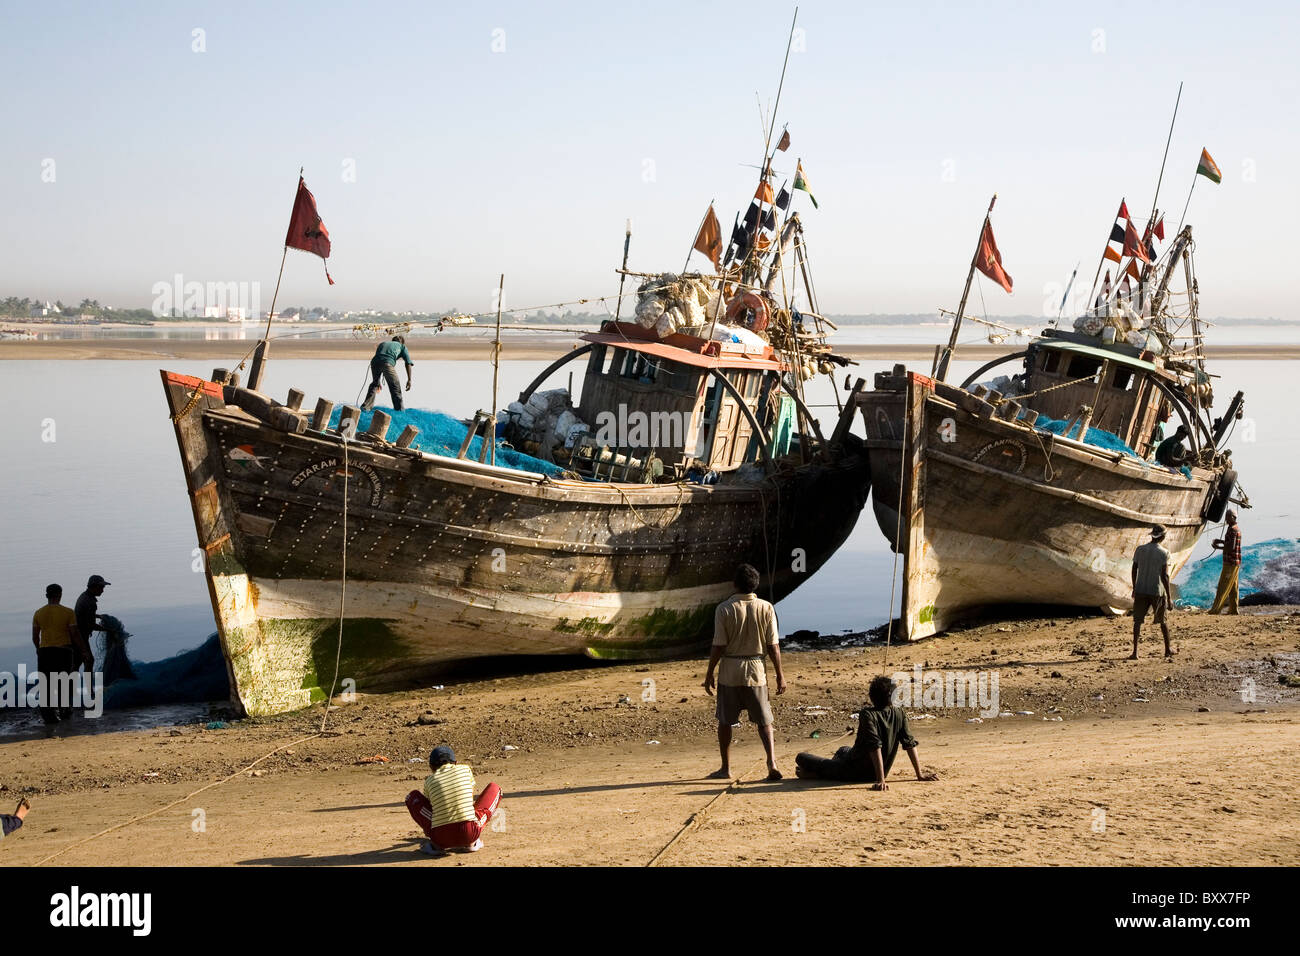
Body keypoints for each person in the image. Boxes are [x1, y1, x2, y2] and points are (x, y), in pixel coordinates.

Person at [703, 563, 787, 782]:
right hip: (756, 670)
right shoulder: (767, 608)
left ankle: (726, 768)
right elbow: (773, 646)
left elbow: (718, 645)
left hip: (730, 670)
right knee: (764, 721)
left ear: (734, 584)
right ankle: (772, 762)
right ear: (755, 584)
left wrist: (709, 672)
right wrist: (780, 674)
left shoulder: (724, 609)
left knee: (725, 721)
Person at [795, 675, 937, 788]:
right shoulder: (899, 713)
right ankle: (828, 771)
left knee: (801, 757)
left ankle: (821, 774)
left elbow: (875, 746)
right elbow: (909, 744)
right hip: (871, 769)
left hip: (856, 772)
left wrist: (880, 779)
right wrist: (919, 774)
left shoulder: (867, 714)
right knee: (842, 750)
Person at [405, 745, 501, 857]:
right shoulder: (465, 769)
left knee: (411, 797)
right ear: (455, 763)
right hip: (469, 833)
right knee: (495, 788)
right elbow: (469, 798)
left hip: (440, 837)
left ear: (431, 767)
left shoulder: (429, 781)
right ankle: (471, 843)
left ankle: (435, 846)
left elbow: (430, 806)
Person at [31, 584, 93, 724]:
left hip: (45, 652)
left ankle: (49, 717)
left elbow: (35, 636)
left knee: (46, 685)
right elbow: (75, 634)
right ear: (60, 595)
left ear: (47, 595)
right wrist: (84, 650)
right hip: (63, 651)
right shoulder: (68, 612)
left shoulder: (38, 613)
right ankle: (64, 711)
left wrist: (38, 649)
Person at [1130, 525, 1174, 659]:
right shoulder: (1164, 553)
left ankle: (1135, 652)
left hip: (1141, 589)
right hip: (1156, 591)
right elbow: (1165, 576)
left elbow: (1134, 569)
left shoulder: (1140, 549)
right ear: (1163, 537)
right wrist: (1169, 597)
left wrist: (1134, 587)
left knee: (1137, 621)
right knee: (1163, 621)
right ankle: (1167, 650)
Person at [362, 335, 414, 411]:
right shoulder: (402, 346)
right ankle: (399, 410)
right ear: (402, 342)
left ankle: (366, 407)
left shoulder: (383, 343)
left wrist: (378, 381)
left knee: (375, 384)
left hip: (374, 362)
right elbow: (408, 363)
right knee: (395, 387)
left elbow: (379, 358)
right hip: (387, 363)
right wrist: (409, 380)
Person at [1209, 510, 1242, 615]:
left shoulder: (1233, 530)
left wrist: (1218, 547)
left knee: (1223, 586)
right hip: (1235, 562)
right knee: (1233, 587)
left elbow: (1230, 547)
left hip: (1230, 562)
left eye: (1228, 517)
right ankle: (1233, 610)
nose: (1226, 518)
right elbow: (1230, 542)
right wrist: (1221, 541)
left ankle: (1215, 609)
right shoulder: (1234, 529)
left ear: (1233, 517)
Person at [74, 574, 110, 653]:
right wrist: (109, 630)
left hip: (77, 635)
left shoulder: (84, 596)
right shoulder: (90, 602)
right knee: (88, 660)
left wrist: (98, 616)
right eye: (101, 587)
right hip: (80, 636)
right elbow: (91, 625)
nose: (102, 590)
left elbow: (85, 614)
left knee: (83, 660)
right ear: (94, 587)